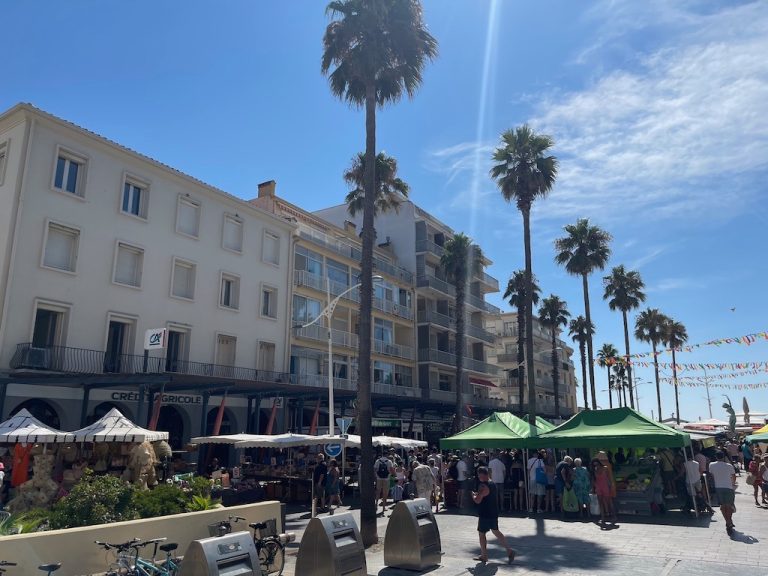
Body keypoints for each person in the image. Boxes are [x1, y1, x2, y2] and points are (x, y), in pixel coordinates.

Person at [471, 467, 515, 564]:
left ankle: (484, 555)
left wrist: (473, 495)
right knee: (496, 531)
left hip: (485, 514)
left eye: (479, 475)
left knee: (481, 534)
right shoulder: (492, 483)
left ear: (482, 475)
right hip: (493, 512)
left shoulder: (483, 486)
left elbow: (477, 500)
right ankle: (509, 550)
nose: (478, 477)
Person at [709, 451, 737, 535]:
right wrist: (732, 484)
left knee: (723, 506)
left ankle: (728, 521)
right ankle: (729, 521)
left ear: (716, 457)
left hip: (718, 487)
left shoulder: (711, 465)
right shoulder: (729, 466)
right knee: (729, 506)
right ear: (724, 457)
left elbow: (712, 475)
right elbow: (734, 476)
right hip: (728, 487)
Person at [591, 458, 615, 524]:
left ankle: (613, 516)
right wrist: (593, 489)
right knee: (600, 503)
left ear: (599, 463)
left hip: (605, 486)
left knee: (609, 502)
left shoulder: (605, 468)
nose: (596, 466)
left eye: (597, 464)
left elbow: (609, 478)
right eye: (594, 465)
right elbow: (593, 480)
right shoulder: (594, 470)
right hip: (598, 487)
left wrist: (611, 486)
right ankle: (603, 518)